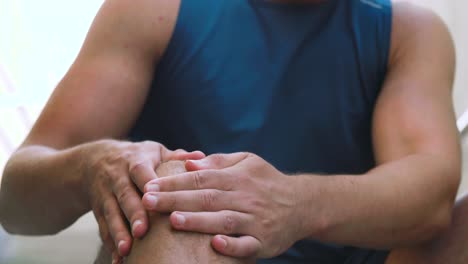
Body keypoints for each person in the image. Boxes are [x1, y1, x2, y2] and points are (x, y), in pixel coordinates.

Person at [0, 0, 467, 263]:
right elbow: (15, 201)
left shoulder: (408, 32)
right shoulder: (153, 10)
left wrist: (295, 204)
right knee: (181, 194)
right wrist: (91, 166)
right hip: (181, 251)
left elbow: (430, 200)